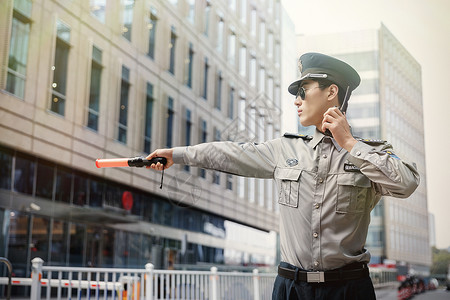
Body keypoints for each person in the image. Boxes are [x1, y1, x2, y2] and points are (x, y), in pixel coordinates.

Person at [146, 52, 420, 299]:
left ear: (331, 91)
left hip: (349, 290)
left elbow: (405, 183)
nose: (296, 101)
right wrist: (176, 154)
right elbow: (230, 154)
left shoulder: (371, 153)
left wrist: (349, 143)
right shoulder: (284, 149)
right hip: (290, 290)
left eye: (303, 90)